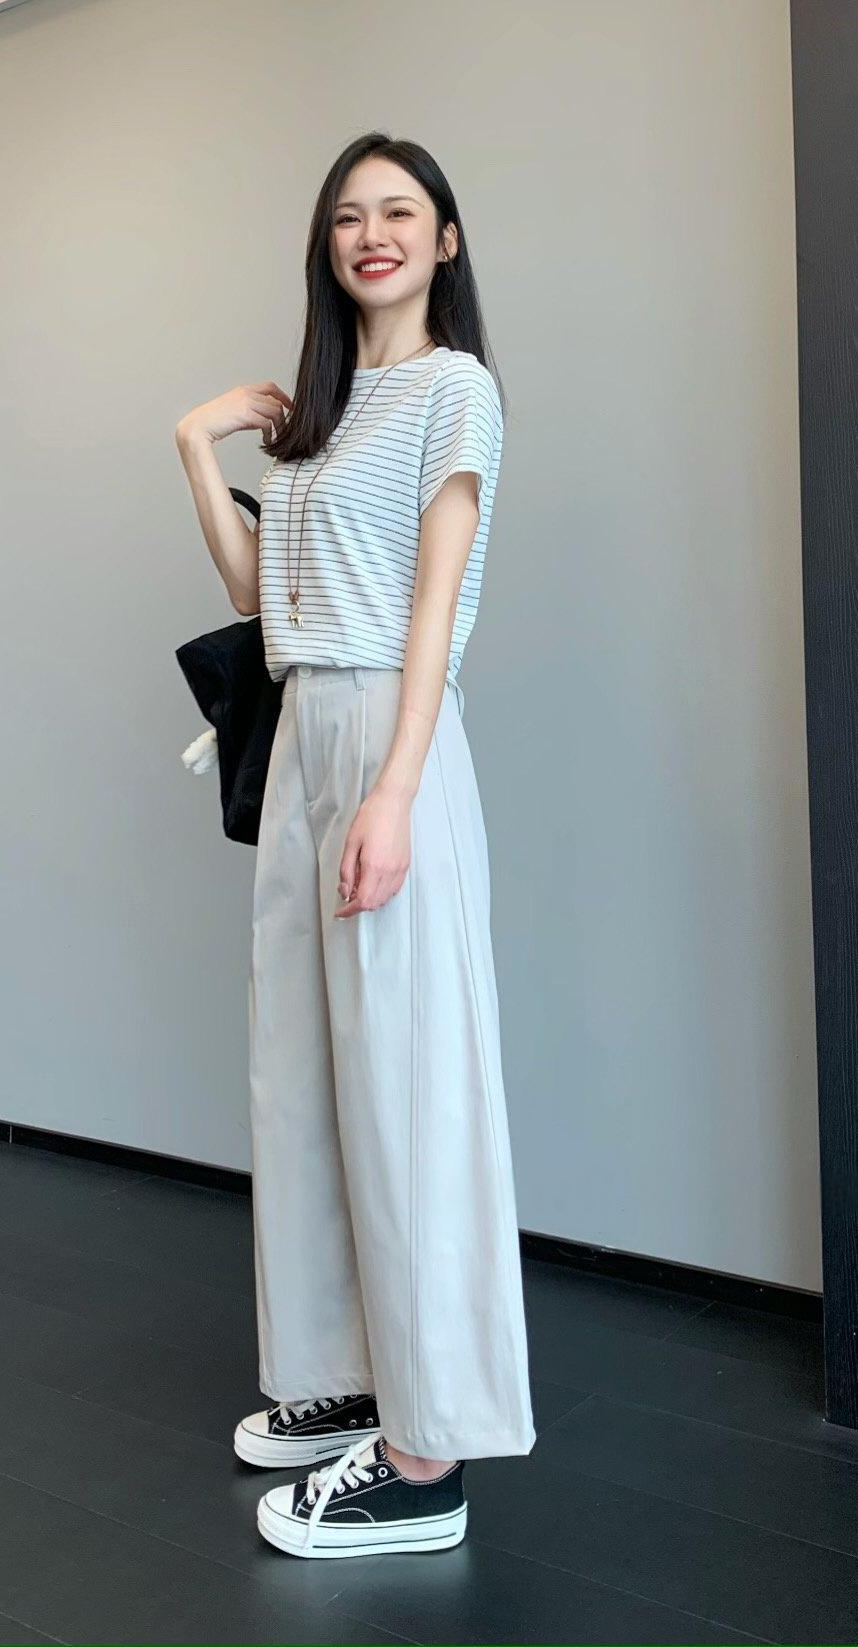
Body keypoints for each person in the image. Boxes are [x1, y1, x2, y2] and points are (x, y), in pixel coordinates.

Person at [174, 131, 535, 1560]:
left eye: (399, 212)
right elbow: (264, 603)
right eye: (347, 216)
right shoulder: (324, 415)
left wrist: (396, 787)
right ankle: (349, 1376)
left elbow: (439, 606)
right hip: (303, 733)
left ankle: (428, 1454)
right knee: (309, 1080)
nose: (371, 233)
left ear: (446, 239)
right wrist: (195, 447)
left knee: (412, 1083)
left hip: (391, 730)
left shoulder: (456, 390)